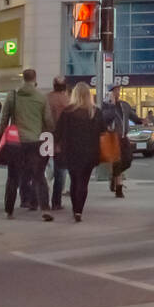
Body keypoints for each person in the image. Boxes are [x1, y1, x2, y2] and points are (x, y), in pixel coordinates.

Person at [0, 69, 54, 220]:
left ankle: (8, 211)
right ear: (34, 79)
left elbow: (3, 119)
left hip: (15, 143)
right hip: (34, 142)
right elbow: (48, 121)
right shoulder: (41, 98)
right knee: (39, 176)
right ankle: (45, 208)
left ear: (22, 79)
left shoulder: (13, 96)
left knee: (13, 177)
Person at [55, 82, 104, 222]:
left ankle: (75, 208)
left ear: (74, 95)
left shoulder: (68, 111)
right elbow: (103, 131)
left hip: (71, 151)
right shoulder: (95, 112)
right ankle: (79, 210)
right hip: (90, 152)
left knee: (74, 180)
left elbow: (58, 132)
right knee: (84, 182)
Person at [45, 77, 70, 211]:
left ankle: (39, 200)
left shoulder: (47, 98)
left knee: (41, 170)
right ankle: (56, 202)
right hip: (61, 140)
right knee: (60, 171)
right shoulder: (67, 101)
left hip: (46, 137)